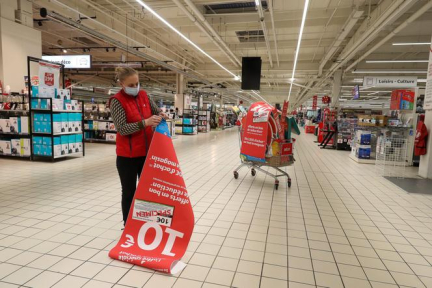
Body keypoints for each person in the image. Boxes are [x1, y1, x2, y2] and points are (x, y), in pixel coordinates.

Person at [110, 67, 165, 225]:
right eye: (131, 85)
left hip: (147, 153)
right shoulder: (117, 101)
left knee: (148, 191)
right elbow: (122, 129)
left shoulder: (144, 95)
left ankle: (146, 223)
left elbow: (156, 111)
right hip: (127, 157)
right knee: (129, 192)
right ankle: (128, 224)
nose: (135, 88)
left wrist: (161, 115)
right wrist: (145, 123)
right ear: (122, 84)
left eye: (137, 83)